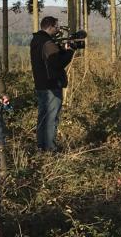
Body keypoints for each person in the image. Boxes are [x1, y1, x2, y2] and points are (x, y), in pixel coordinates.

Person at [30, 16, 75, 152]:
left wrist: (60, 49)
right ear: (50, 27)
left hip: (41, 84)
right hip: (51, 84)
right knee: (51, 117)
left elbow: (47, 61)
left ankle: (40, 145)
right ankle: (50, 147)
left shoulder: (37, 40)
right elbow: (57, 63)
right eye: (56, 26)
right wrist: (70, 51)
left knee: (43, 115)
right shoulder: (48, 43)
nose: (57, 29)